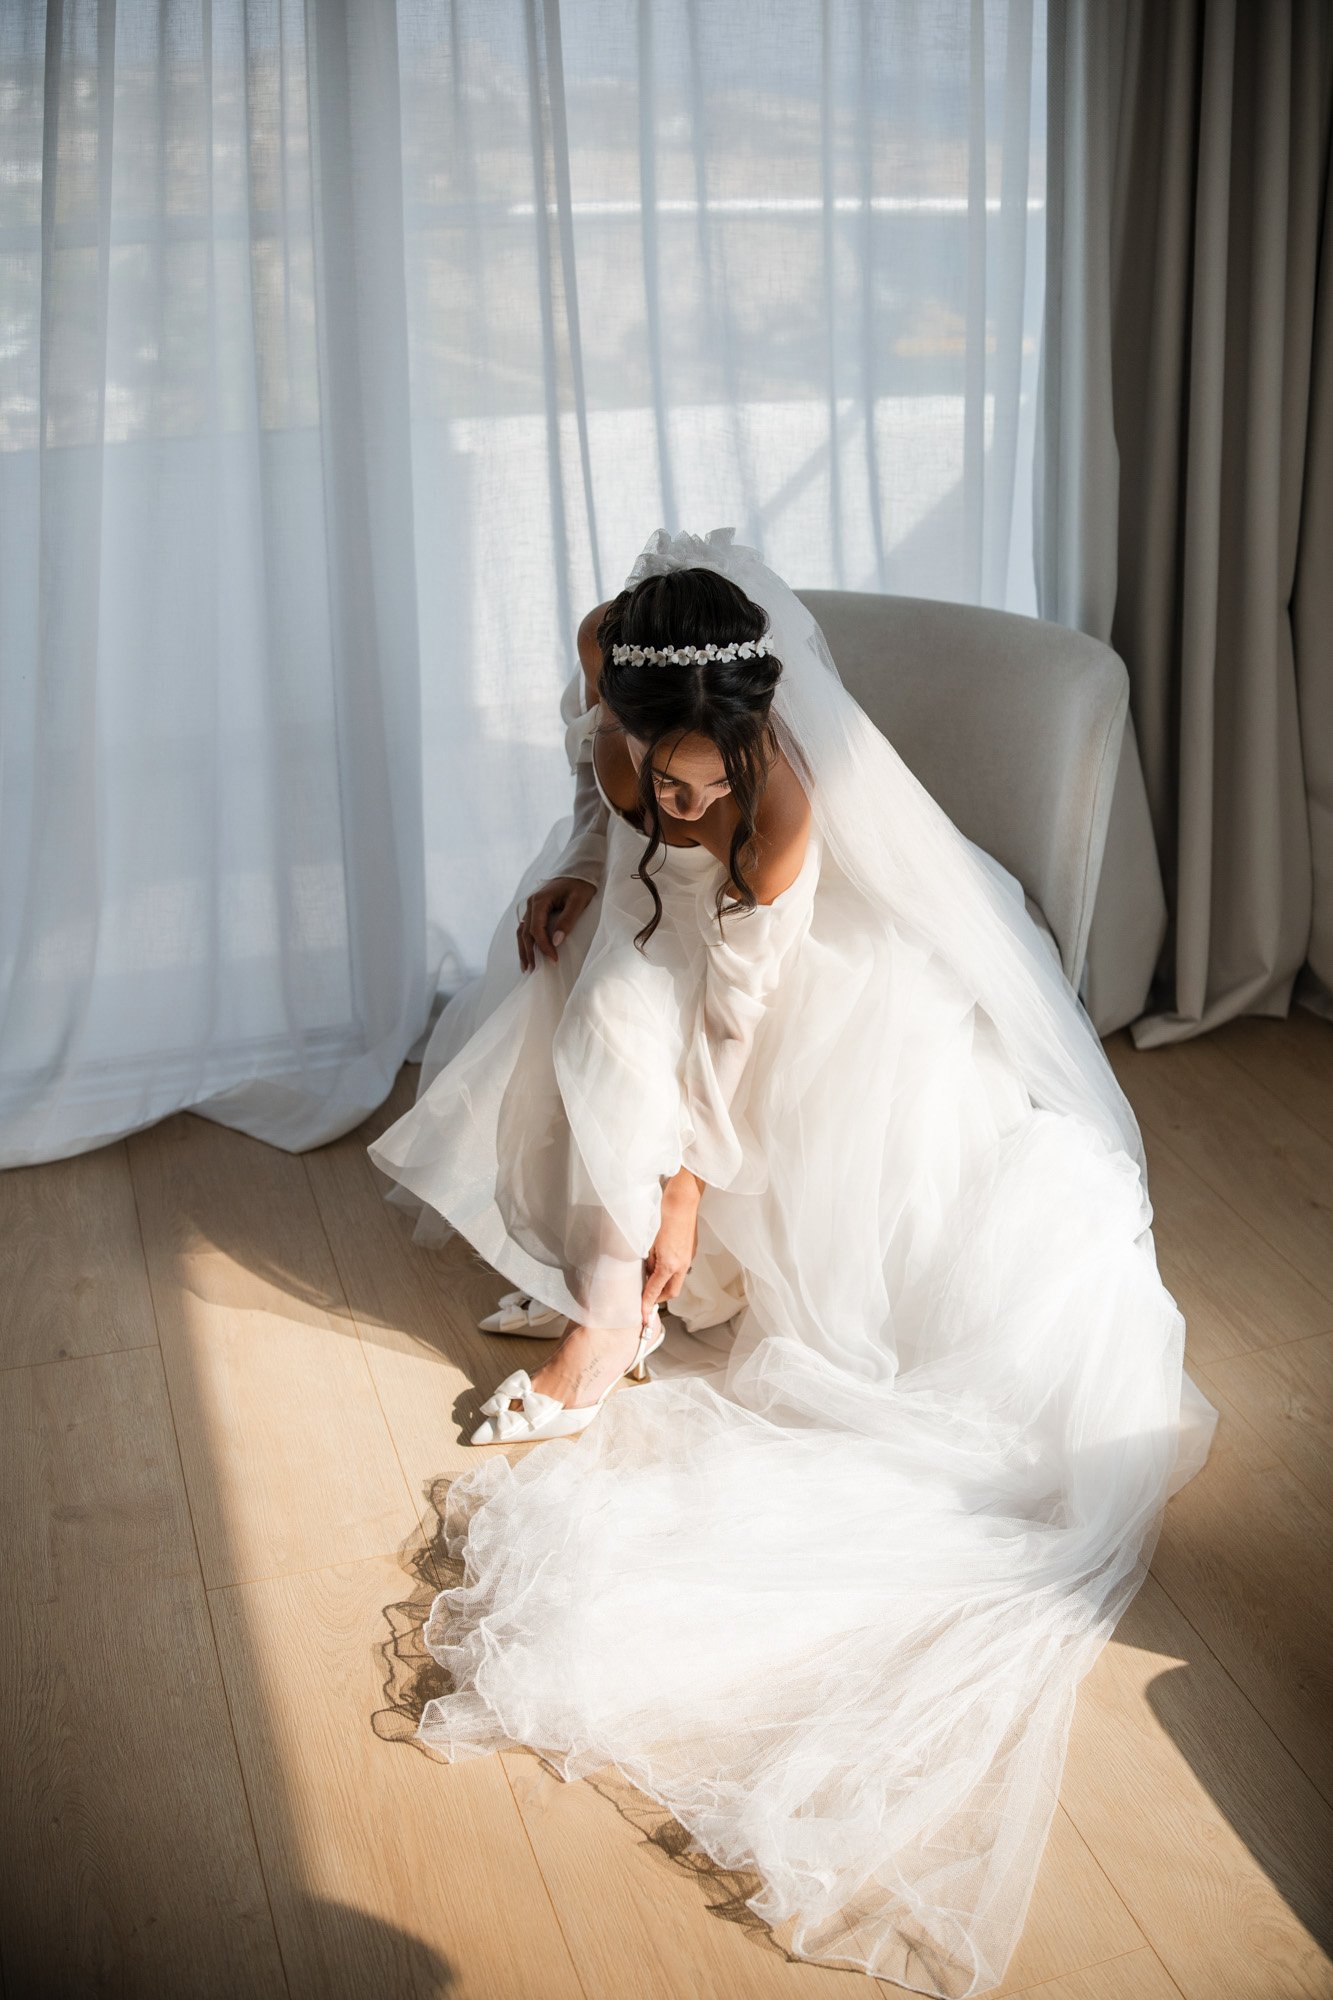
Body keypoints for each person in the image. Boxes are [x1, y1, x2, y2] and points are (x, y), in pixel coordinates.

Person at [367, 527, 1218, 1997]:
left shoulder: (775, 824)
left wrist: (691, 1187)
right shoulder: (607, 662)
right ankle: (608, 1276)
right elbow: (603, 797)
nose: (682, 801)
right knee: (575, 989)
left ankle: (615, 1307)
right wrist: (594, 863)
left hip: (780, 961)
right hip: (648, 913)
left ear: (750, 751)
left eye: (705, 784)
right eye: (664, 775)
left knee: (642, 1057)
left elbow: (731, 1020)